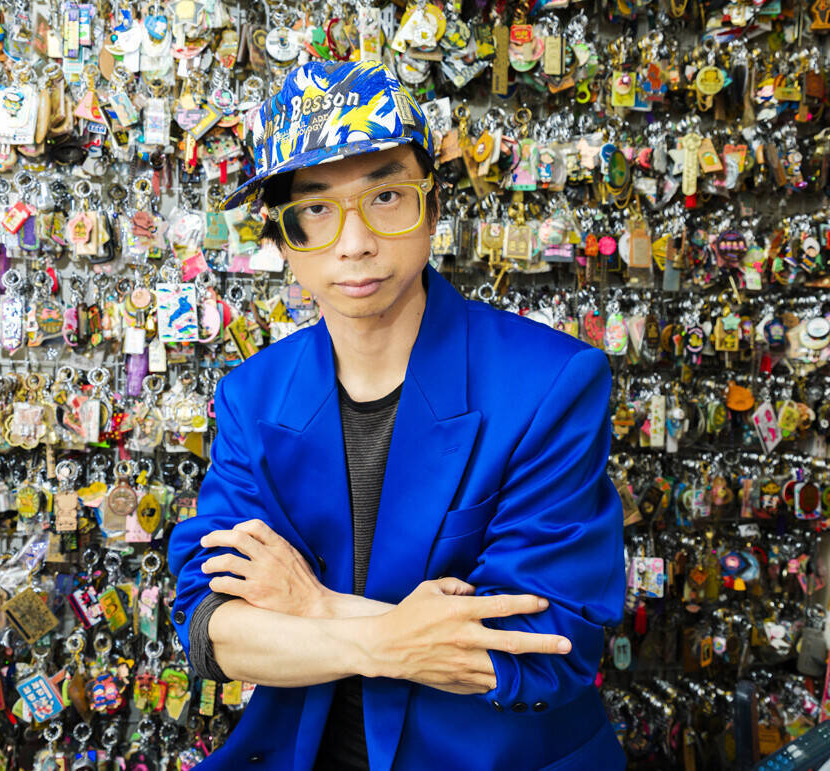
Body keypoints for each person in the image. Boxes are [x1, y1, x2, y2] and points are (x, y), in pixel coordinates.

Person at [167, 60, 627, 770]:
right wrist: (385, 640)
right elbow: (209, 625)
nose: (354, 243)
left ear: (432, 208)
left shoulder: (549, 382)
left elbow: (541, 647)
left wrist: (315, 607)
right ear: (283, 240)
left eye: (385, 196)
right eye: (315, 210)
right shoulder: (251, 396)